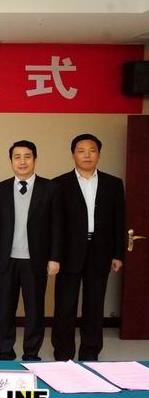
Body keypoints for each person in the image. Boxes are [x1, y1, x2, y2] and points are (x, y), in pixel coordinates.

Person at [52, 134, 125, 361]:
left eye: (92, 150)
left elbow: (119, 221)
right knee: (65, 307)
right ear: (73, 154)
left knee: (94, 306)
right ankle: (63, 354)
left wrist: (118, 254)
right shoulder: (59, 184)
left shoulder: (113, 184)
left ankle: (90, 354)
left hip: (100, 251)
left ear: (98, 154)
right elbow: (54, 224)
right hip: (68, 253)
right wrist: (54, 256)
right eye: (81, 151)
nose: (87, 155)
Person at [0, 140, 61, 361]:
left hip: (36, 260)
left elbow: (57, 225)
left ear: (35, 159)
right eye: (17, 157)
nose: (22, 162)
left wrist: (54, 257)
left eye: (27, 156)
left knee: (34, 310)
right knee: (4, 310)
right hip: (7, 259)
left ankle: (31, 353)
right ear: (11, 161)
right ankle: (4, 352)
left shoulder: (50, 188)